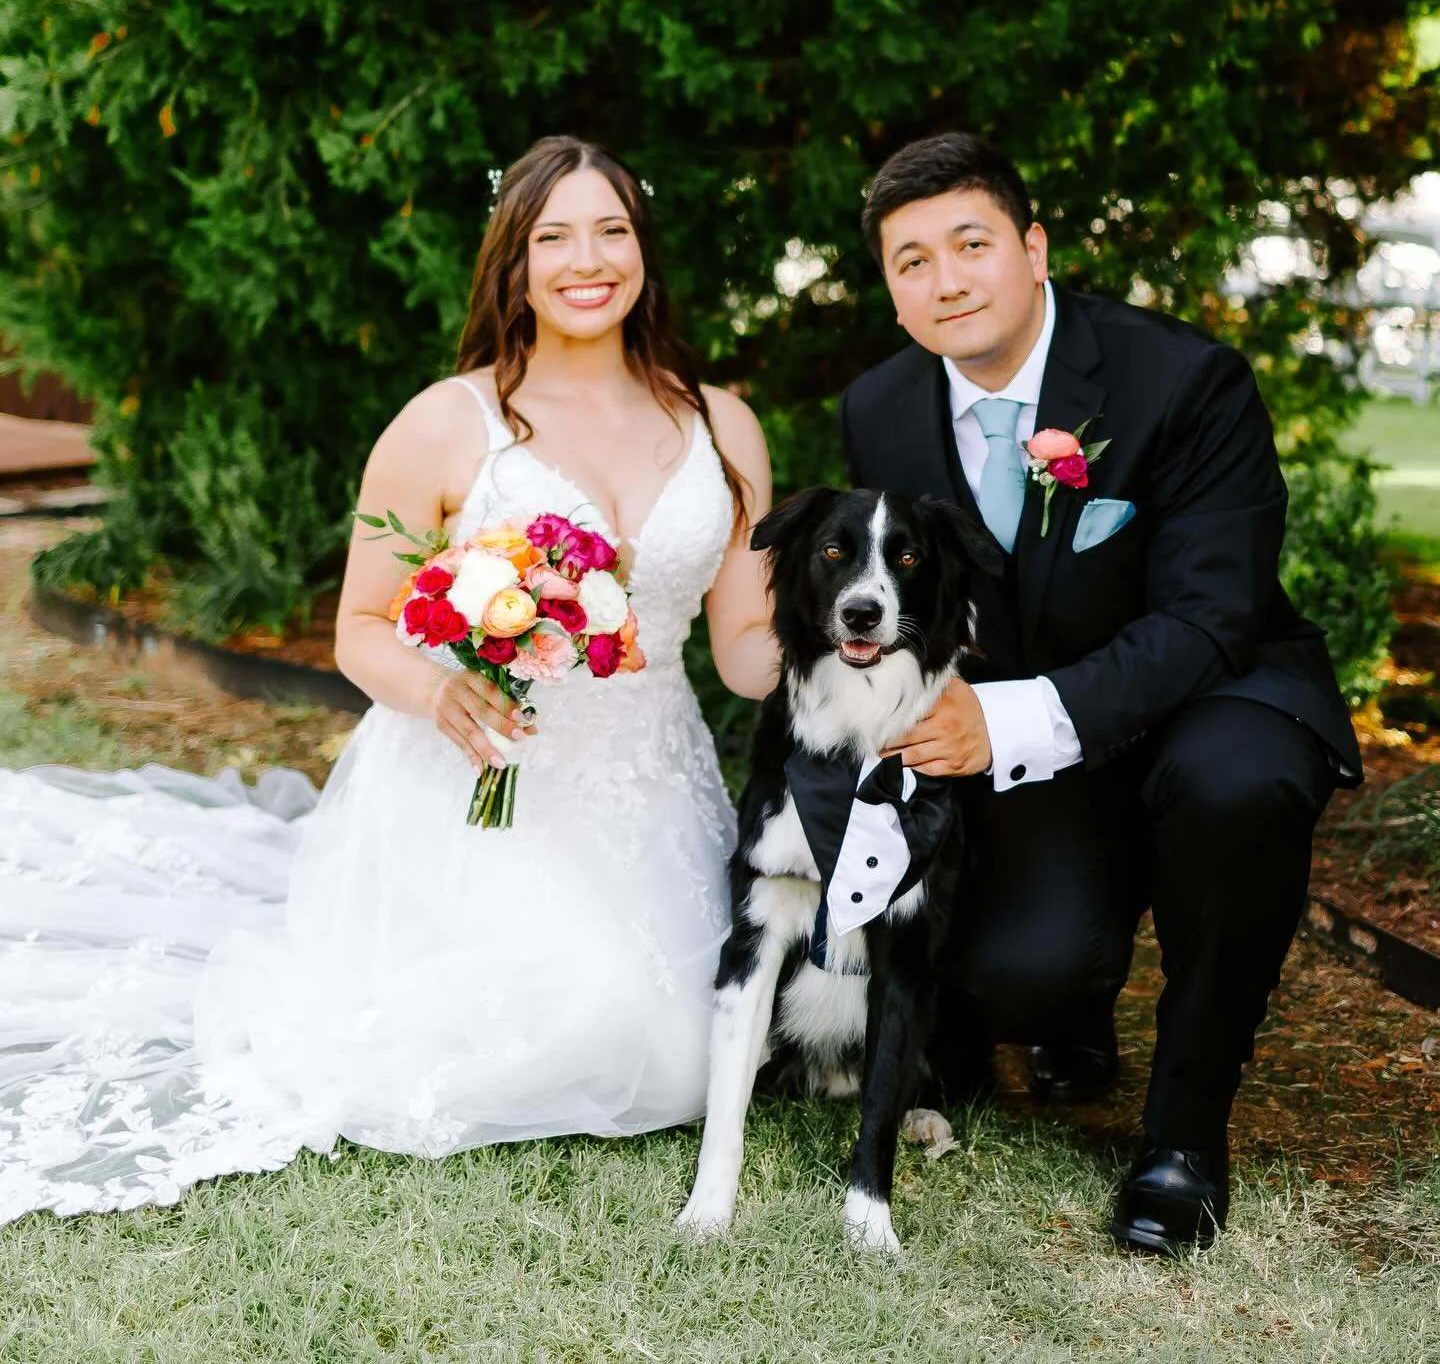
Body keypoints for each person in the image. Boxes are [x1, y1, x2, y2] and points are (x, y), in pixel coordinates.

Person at [0, 136, 776, 1222]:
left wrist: (880, 642)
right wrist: (439, 692)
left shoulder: (721, 424)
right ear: (513, 261)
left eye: (612, 231)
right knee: (606, 1016)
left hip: (653, 784)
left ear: (645, 248)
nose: (586, 259)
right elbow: (364, 626)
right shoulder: (445, 421)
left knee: (696, 1048)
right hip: (476, 787)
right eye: (554, 236)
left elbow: (747, 654)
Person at [838, 131, 1360, 1256]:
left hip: (1210, 701)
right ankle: (1063, 1013)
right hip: (1030, 749)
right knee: (1021, 977)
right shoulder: (880, 412)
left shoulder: (1181, 378)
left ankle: (1183, 1137)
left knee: (1240, 784)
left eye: (971, 243)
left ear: (1034, 248)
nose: (947, 280)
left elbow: (1211, 616)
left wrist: (1006, 722)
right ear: (890, 293)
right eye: (911, 261)